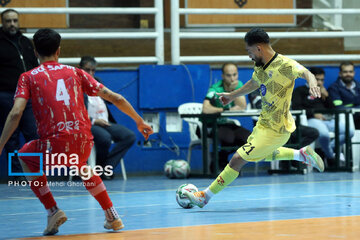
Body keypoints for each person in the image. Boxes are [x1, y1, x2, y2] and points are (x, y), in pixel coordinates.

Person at [0, 28, 153, 235]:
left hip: (53, 145)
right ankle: (112, 214)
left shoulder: (28, 77)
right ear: (58, 51)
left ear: (35, 52)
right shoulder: (77, 72)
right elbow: (116, 98)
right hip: (83, 142)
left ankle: (52, 210)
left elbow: (15, 113)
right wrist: (139, 121)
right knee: (81, 165)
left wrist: (1, 144)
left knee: (26, 155)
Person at [184, 28, 324, 208]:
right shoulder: (260, 66)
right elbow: (254, 83)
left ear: (258, 48)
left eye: (249, 51)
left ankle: (205, 196)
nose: (249, 56)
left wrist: (313, 84)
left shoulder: (285, 64)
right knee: (257, 156)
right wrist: (232, 95)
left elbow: (307, 73)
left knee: (237, 159)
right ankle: (301, 154)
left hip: (278, 128)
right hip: (263, 124)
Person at [79, 56, 136, 180]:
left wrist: (114, 97)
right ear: (80, 69)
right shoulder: (76, 86)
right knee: (105, 138)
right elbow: (75, 113)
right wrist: (94, 121)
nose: (90, 73)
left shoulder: (98, 82)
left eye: (93, 70)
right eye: (87, 70)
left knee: (129, 136)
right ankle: (99, 168)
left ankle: (106, 168)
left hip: (106, 122)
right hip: (89, 124)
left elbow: (110, 100)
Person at [0, 9, 38, 174]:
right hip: (6, 95)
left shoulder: (26, 42)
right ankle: (16, 174)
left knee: (34, 134)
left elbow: (35, 66)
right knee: (11, 137)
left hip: (29, 96)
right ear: (2, 22)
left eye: (15, 20)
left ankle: (36, 172)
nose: (12, 24)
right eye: (8, 21)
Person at [292, 67, 354, 167]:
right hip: (311, 120)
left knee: (349, 132)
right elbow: (296, 108)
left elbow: (334, 109)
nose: (320, 82)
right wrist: (313, 114)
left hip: (328, 120)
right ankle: (330, 157)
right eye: (317, 79)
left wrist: (327, 96)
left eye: (322, 80)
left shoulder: (323, 91)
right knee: (324, 134)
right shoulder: (300, 91)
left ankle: (324, 151)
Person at [249, 89, 319, 171]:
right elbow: (261, 106)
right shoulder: (256, 90)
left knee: (313, 133)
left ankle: (294, 157)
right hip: (269, 126)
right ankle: (293, 159)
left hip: (287, 123)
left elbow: (287, 106)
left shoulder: (280, 87)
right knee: (285, 135)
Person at [201, 63, 251, 172]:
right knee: (229, 138)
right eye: (229, 75)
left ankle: (225, 160)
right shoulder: (215, 89)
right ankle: (219, 160)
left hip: (228, 124)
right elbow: (205, 109)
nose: (232, 78)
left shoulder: (238, 85)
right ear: (223, 76)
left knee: (249, 138)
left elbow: (242, 106)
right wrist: (225, 110)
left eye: (235, 75)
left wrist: (234, 91)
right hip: (211, 125)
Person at [328, 61, 360, 129]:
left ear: (354, 73)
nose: (348, 74)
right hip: (344, 118)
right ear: (340, 73)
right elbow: (339, 107)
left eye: (350, 72)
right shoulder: (334, 88)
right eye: (345, 72)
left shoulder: (358, 85)